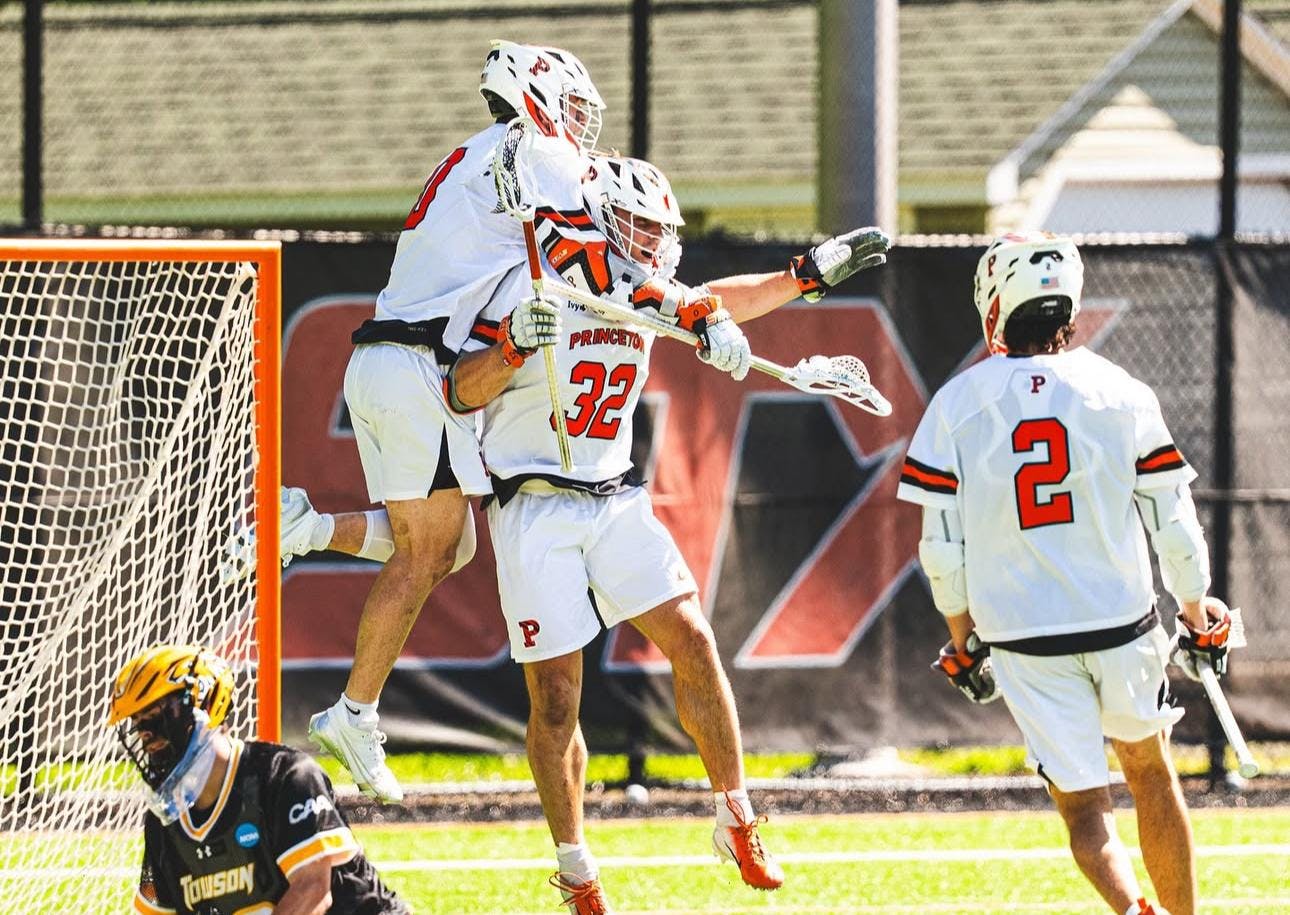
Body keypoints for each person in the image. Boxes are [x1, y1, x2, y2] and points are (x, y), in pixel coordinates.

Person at [282, 153, 889, 913]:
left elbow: (711, 300)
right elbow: (457, 390)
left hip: (615, 497)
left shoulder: (640, 286)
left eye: (657, 229)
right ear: (596, 213)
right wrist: (511, 347)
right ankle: (575, 864)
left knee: (693, 638)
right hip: (532, 505)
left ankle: (736, 814)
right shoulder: (530, 279)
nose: (648, 240)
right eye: (634, 224)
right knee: (557, 698)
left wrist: (806, 272)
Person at [304, 38, 753, 806]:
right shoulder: (536, 149)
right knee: (429, 554)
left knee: (444, 543)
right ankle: (354, 712)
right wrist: (696, 314)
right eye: (574, 108)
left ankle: (305, 531)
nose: (580, 127)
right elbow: (597, 266)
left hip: (383, 355)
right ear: (536, 95)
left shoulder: (480, 157)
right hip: (423, 362)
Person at [896, 232, 1235, 915]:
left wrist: (962, 638)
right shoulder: (1121, 390)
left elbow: (942, 548)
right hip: (1122, 621)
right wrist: (1198, 612)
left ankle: (1131, 907)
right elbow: (1174, 524)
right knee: (1150, 771)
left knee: (1084, 807)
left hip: (1022, 633)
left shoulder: (957, 404)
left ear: (995, 302)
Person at [109, 644, 408, 915]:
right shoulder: (163, 824)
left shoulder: (285, 776)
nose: (144, 732)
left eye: (154, 714)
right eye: (136, 722)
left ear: (204, 704)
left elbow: (313, 891)